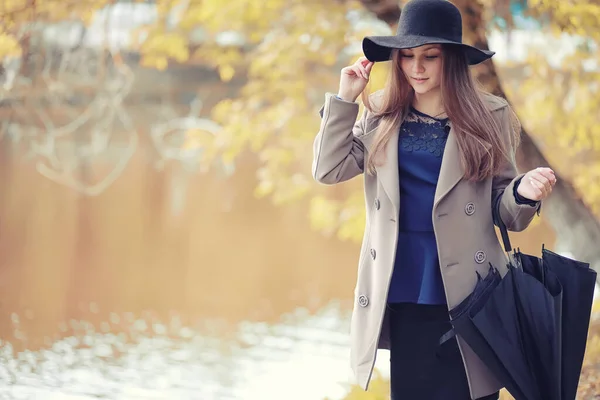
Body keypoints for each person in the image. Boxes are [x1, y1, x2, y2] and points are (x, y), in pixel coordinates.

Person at [312, 0, 557, 399]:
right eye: (407, 56)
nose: (416, 68)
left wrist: (523, 194)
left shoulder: (489, 115)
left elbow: (505, 211)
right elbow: (328, 169)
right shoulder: (379, 113)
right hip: (405, 284)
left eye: (430, 56)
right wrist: (345, 99)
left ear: (453, 59)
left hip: (472, 294)